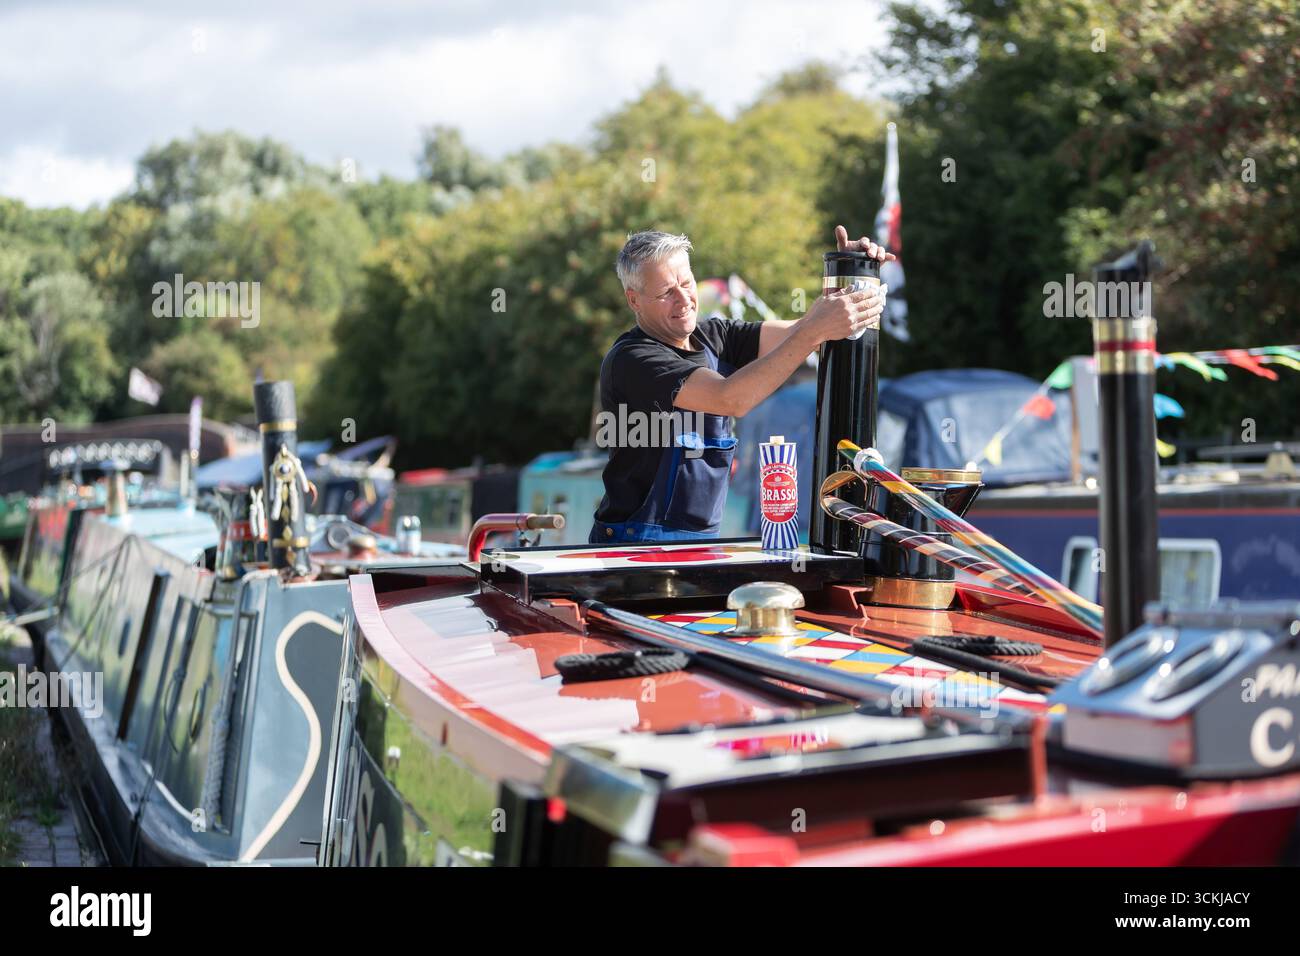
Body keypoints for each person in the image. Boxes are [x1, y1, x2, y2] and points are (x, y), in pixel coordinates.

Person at [589, 226, 892, 543]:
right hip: (633, 544)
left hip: (700, 543)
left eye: (686, 283)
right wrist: (815, 330)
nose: (683, 300)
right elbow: (730, 398)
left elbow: (804, 332)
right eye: (666, 292)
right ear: (634, 300)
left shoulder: (714, 336)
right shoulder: (633, 359)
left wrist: (852, 275)